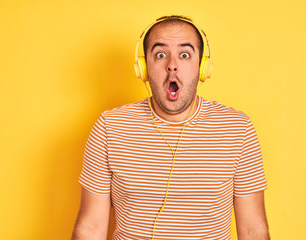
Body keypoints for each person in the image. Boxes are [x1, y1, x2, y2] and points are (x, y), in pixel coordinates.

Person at [71, 15, 270, 240]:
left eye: (184, 55)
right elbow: (91, 228)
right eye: (160, 54)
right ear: (144, 68)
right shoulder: (109, 127)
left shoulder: (238, 129)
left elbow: (253, 230)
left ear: (202, 68)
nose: (172, 65)